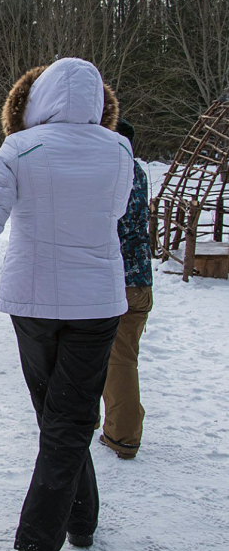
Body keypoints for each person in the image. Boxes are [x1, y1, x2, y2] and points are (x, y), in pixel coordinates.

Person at [0, 57, 134, 551]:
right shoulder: (120, 149)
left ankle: (36, 542)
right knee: (65, 421)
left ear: (36, 98)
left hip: (33, 303)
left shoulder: (19, 147)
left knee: (61, 420)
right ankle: (81, 520)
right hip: (96, 304)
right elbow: (119, 211)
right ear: (100, 102)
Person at [99, 118, 153, 460]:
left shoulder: (113, 174)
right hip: (140, 281)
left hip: (118, 281)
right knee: (120, 356)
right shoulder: (137, 172)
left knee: (117, 360)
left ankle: (123, 435)